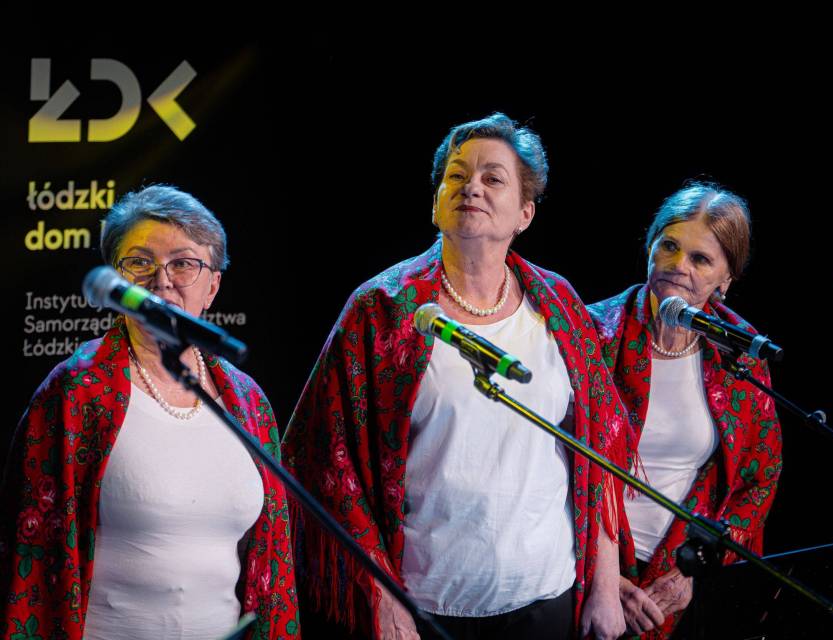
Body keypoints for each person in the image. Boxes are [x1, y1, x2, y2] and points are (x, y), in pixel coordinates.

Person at [282, 113, 627, 640]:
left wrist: (604, 587)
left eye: (493, 178)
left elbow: (600, 449)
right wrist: (379, 595)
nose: (472, 187)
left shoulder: (558, 304)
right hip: (425, 604)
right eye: (457, 175)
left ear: (525, 213)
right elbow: (323, 460)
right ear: (436, 200)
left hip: (545, 596)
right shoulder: (381, 308)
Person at [0, 185, 299, 640]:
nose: (162, 281)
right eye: (139, 263)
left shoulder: (249, 401)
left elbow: (270, 557)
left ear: (212, 286)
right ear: (116, 285)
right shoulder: (76, 390)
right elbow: (32, 553)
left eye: (183, 263)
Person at [587, 183, 782, 638]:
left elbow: (760, 477)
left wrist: (692, 571)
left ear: (725, 279)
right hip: (581, 567)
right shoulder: (591, 333)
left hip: (679, 578)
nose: (679, 266)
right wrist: (602, 578)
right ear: (649, 247)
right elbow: (547, 466)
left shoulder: (741, 355)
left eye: (701, 259)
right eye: (669, 246)